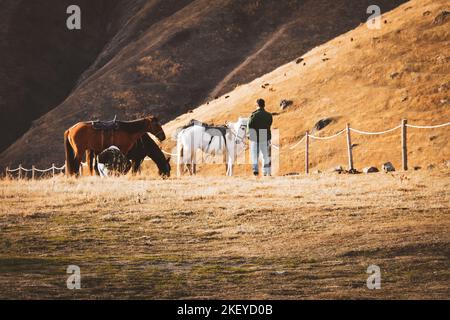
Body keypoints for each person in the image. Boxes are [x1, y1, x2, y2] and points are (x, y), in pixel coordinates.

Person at [247, 98, 273, 176]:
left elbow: (250, 125)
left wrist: (249, 135)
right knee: (265, 155)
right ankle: (265, 172)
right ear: (264, 105)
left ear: (257, 105)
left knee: (255, 154)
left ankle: (255, 170)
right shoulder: (269, 115)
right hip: (265, 136)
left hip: (255, 137)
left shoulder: (254, 115)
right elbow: (269, 124)